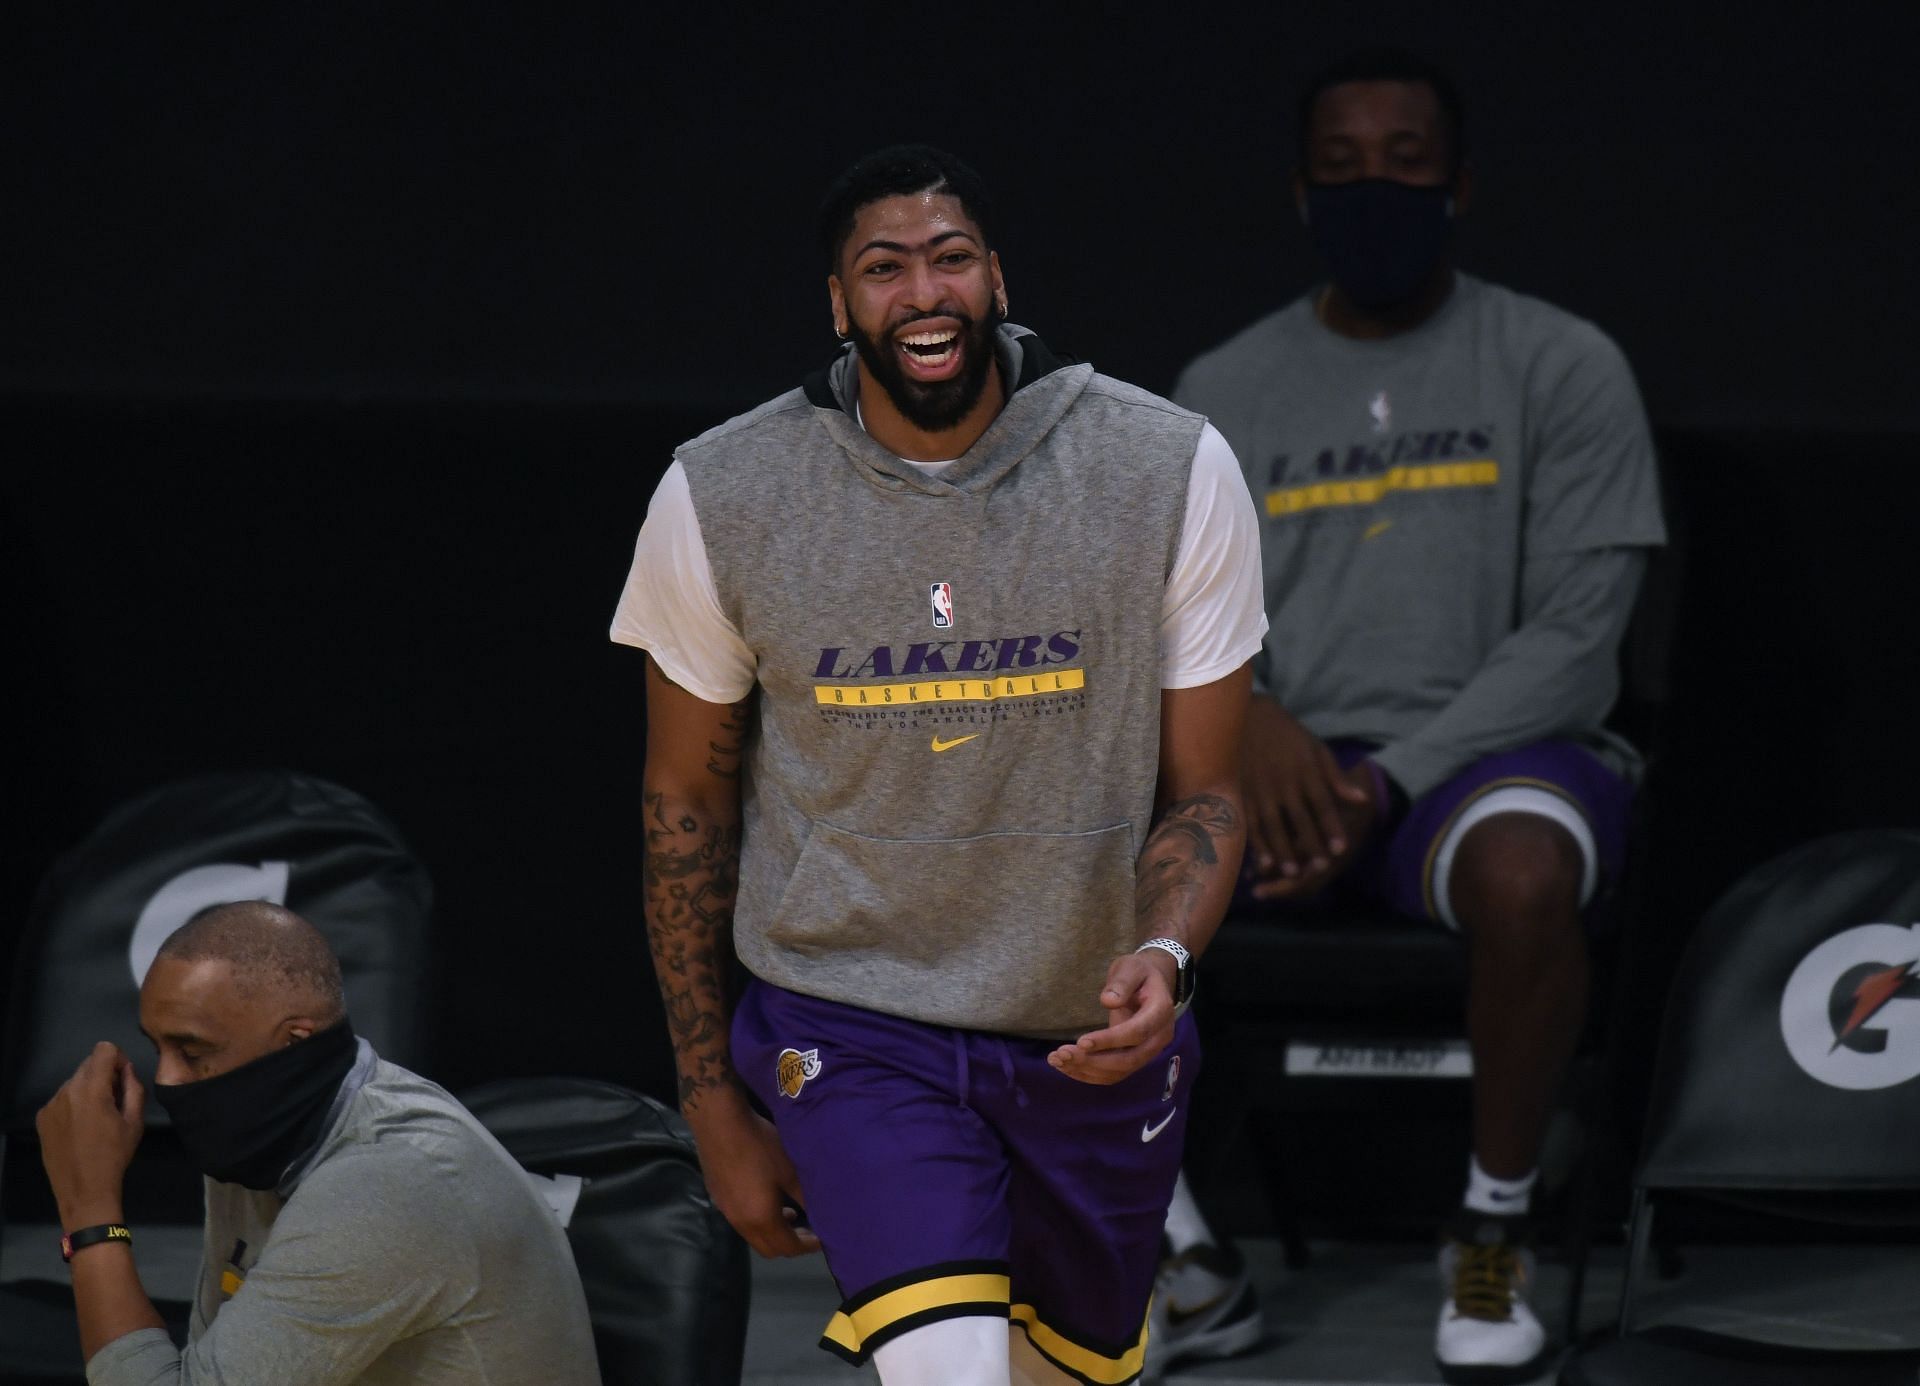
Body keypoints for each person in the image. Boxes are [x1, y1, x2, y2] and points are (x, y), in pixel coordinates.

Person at [610, 144, 1266, 1386]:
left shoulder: (1168, 466)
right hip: (852, 1024)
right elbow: (683, 804)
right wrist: (708, 1103)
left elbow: (1210, 792)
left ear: (998, 279)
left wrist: (1166, 956)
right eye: (885, 267)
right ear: (840, 303)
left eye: (951, 258)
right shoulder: (724, 491)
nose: (924, 291)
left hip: (1086, 1035)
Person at [1162, 48, 1666, 1386]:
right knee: (1043, 853)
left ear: (1457, 185)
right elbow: (1174, 618)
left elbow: (1578, 639)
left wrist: (1384, 785)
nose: (1373, 188)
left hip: (1480, 761)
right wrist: (1252, 714)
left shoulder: (1559, 364)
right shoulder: (1223, 385)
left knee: (1525, 867)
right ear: (1299, 193)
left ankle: (1491, 1228)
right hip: (1273, 767)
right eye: (1341, 169)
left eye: (1404, 162)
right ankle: (1179, 1259)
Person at [35, 901, 601, 1386]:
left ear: (292, 1041)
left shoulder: (387, 1182)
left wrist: (89, 1211)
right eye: (156, 1048)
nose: (167, 1081)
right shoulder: (262, 1135)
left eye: (192, 1051)